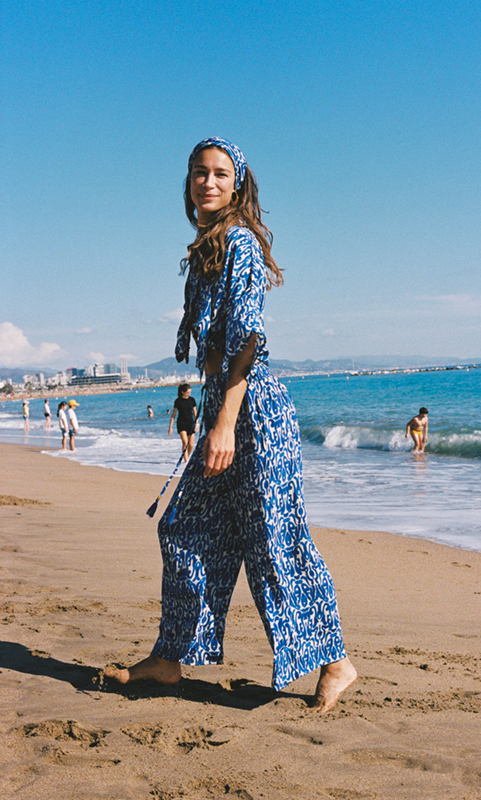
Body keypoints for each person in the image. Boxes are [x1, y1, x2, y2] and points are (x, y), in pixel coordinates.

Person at [104, 137, 356, 712]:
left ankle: (337, 663)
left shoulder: (239, 244)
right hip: (228, 409)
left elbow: (247, 341)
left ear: (237, 184)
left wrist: (222, 424)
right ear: (188, 181)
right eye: (199, 173)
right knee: (184, 528)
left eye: (220, 174)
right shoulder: (206, 249)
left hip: (254, 415)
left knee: (274, 541)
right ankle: (172, 657)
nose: (208, 182)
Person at [168, 382, 198, 462]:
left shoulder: (192, 400)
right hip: (181, 423)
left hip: (191, 423)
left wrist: (197, 424)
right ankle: (186, 462)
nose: (189, 394)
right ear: (182, 392)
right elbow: (173, 415)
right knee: (185, 442)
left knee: (191, 445)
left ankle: (186, 458)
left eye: (190, 392)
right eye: (187, 392)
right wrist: (170, 427)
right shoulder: (178, 401)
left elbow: (195, 413)